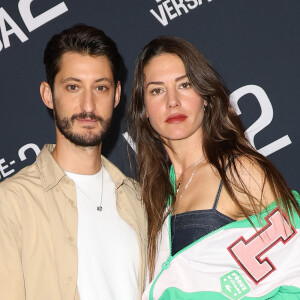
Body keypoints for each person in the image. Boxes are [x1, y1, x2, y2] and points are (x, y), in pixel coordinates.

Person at [128, 36, 300, 300]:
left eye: (184, 84)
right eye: (157, 90)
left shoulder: (240, 171)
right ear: (144, 110)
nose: (172, 101)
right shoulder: (155, 196)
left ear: (205, 97)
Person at [0, 24, 147, 300]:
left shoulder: (139, 201)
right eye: (73, 87)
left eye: (100, 88)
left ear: (116, 95)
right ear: (48, 95)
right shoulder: (11, 204)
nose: (88, 105)